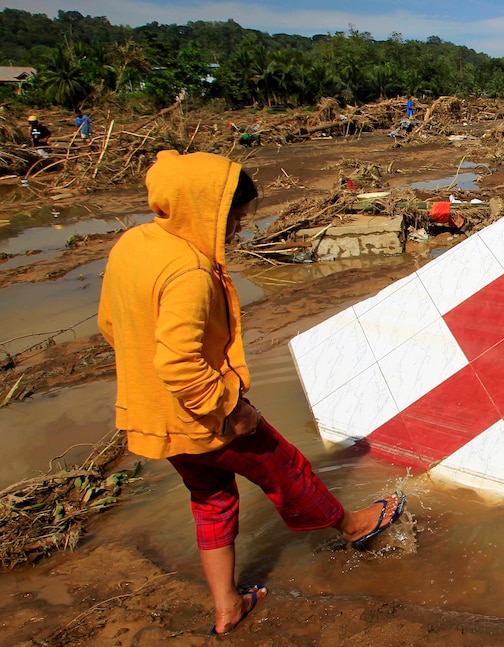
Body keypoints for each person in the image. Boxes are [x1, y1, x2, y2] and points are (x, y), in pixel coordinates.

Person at [97, 150, 407, 636]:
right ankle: (353, 526)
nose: (237, 230)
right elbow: (178, 363)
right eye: (233, 219)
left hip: (154, 415)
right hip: (203, 413)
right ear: (205, 210)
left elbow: (111, 325)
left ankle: (227, 606)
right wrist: (229, 409)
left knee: (211, 498)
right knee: (286, 468)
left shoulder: (134, 244)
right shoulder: (190, 271)